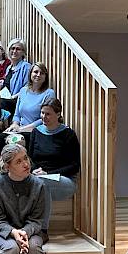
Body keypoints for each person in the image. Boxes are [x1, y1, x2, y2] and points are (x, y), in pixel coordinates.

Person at [27, 98, 80, 231]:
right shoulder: (36, 132)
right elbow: (30, 158)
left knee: (42, 183)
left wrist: (49, 174)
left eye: (48, 114)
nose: (44, 117)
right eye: (42, 113)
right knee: (41, 185)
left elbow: (74, 165)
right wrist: (34, 170)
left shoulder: (68, 134)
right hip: (38, 177)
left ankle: (42, 229)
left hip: (64, 180)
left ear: (58, 114)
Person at [5, 62, 55, 134]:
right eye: (36, 72)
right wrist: (15, 124)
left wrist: (23, 129)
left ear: (45, 77)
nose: (38, 75)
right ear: (30, 74)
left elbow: (45, 118)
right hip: (19, 129)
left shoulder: (49, 93)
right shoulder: (23, 91)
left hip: (37, 131)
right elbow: (17, 115)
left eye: (42, 73)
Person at [0, 38, 31, 113]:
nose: (14, 51)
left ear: (23, 52)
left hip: (17, 101)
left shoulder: (26, 67)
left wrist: (13, 97)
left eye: (18, 49)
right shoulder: (9, 68)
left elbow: (28, 87)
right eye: (12, 48)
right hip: (6, 99)